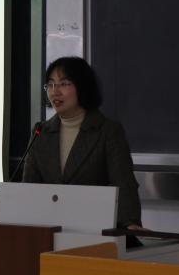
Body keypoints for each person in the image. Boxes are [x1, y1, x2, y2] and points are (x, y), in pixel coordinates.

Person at [21, 56, 143, 230]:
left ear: (82, 87)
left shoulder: (107, 131)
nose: (55, 92)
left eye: (64, 84)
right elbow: (29, 188)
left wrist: (130, 223)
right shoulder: (41, 132)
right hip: (49, 231)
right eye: (51, 84)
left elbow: (124, 184)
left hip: (94, 231)